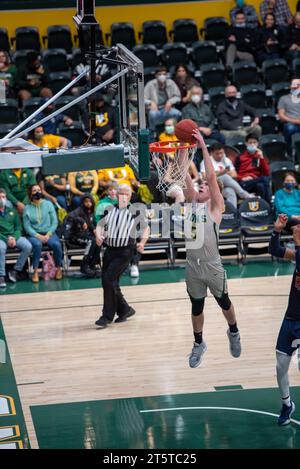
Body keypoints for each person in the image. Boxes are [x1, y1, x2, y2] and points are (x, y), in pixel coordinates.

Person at [181, 129, 241, 368]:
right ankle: (198, 344)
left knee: (223, 301)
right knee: (196, 307)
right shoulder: (192, 201)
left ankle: (234, 331)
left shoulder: (216, 208)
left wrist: (203, 147)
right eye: (201, 184)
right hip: (192, 266)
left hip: (212, 264)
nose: (203, 185)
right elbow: (184, 174)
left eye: (206, 185)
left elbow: (212, 177)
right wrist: (184, 151)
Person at [94, 184, 150, 328]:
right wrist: (99, 236)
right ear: (116, 195)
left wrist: (142, 242)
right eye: (121, 194)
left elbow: (146, 228)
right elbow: (100, 225)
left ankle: (106, 316)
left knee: (108, 279)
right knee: (109, 282)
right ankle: (125, 310)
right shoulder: (109, 210)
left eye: (127, 194)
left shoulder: (135, 211)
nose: (124, 197)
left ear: (130, 196)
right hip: (109, 250)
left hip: (125, 251)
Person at [268, 214, 300, 425]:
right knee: (281, 366)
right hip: (291, 318)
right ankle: (287, 404)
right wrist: (277, 231)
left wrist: (297, 241)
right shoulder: (297, 253)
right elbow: (275, 250)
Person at [23, 184, 63, 283]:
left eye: (39, 190)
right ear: (30, 194)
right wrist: (38, 236)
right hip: (34, 234)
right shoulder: (27, 208)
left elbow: (54, 222)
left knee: (56, 244)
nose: (37, 192)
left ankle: (59, 268)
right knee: (37, 244)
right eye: (34, 191)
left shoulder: (48, 204)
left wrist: (48, 234)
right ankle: (35, 271)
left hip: (49, 233)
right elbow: (27, 227)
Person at [200, 142, 253, 208]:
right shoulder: (206, 161)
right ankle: (244, 194)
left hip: (224, 187)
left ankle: (232, 212)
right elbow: (204, 177)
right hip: (211, 187)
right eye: (217, 154)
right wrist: (221, 173)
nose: (219, 155)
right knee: (224, 176)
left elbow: (234, 175)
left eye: (221, 153)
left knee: (230, 191)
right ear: (211, 153)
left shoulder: (226, 160)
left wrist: (216, 173)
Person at [0, 188, 32, 287]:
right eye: (0, 197)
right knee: (1, 248)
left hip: (13, 236)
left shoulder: (12, 211)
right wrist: (7, 239)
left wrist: (14, 237)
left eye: (3, 197)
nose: (2, 199)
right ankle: (1, 276)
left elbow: (18, 227)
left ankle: (15, 270)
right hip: (1, 238)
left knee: (28, 246)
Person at [64, 194, 101, 278]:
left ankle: (92, 265)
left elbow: (90, 223)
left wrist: (94, 229)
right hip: (74, 236)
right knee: (91, 241)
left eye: (90, 201)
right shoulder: (79, 210)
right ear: (82, 203)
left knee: (98, 241)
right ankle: (84, 266)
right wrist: (81, 221)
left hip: (84, 235)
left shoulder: (90, 212)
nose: (88, 203)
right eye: (86, 202)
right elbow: (68, 217)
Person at [144, 66, 182, 136]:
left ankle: (174, 132)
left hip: (167, 109)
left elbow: (178, 97)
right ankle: (153, 132)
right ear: (156, 75)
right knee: (152, 114)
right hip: (156, 110)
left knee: (178, 113)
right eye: (160, 74)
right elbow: (143, 99)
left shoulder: (171, 83)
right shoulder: (150, 84)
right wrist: (150, 102)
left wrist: (170, 101)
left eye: (164, 74)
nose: (162, 76)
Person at [235, 133, 271, 203]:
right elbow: (234, 173)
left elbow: (266, 173)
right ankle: (269, 205)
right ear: (246, 144)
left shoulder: (260, 156)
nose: (252, 144)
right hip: (244, 183)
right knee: (264, 179)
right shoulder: (240, 157)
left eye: (254, 142)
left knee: (260, 186)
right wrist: (242, 178)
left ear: (258, 144)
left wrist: (261, 158)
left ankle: (263, 207)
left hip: (256, 181)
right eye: (250, 142)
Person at [278, 78, 300, 148]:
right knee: (290, 128)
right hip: (290, 124)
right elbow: (281, 116)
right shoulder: (283, 99)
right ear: (290, 86)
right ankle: (288, 149)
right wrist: (295, 121)